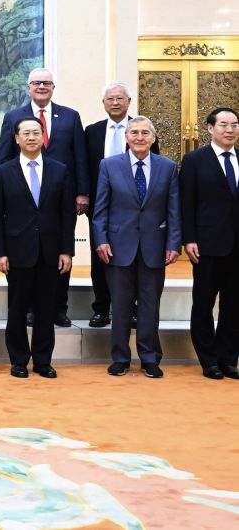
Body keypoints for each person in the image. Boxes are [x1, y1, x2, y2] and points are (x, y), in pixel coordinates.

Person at [0, 67, 88, 327]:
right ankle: (26, 308)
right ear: (29, 87)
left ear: (53, 87)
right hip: (24, 200)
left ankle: (58, 308)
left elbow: (79, 155)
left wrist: (82, 192)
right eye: (36, 83)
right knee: (25, 253)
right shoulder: (13, 116)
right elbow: (4, 158)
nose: (41, 87)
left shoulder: (70, 117)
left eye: (46, 83)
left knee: (59, 251)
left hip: (61, 199)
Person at [93, 116, 180, 379]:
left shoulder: (167, 167)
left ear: (153, 138)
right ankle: (120, 358)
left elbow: (174, 209)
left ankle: (149, 358)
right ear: (126, 138)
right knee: (119, 306)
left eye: (145, 133)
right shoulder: (109, 165)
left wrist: (174, 243)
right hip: (118, 247)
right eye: (134, 133)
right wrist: (101, 239)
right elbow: (100, 209)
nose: (139, 137)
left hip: (155, 247)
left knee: (149, 306)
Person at [0, 116, 75, 379]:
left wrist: (66, 250)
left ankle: (42, 361)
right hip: (17, 252)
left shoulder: (59, 170)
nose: (31, 137)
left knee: (45, 309)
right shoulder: (4, 172)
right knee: (16, 309)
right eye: (25, 133)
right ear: (16, 138)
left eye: (36, 133)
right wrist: (0, 253)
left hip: (50, 251)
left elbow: (66, 214)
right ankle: (18, 360)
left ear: (43, 137)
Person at [84, 82, 158, 328]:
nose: (115, 102)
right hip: (101, 205)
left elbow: (154, 165)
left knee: (135, 257)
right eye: (110, 99)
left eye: (120, 98)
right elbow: (84, 167)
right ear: (103, 103)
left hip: (136, 207)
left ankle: (132, 309)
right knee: (101, 257)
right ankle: (101, 308)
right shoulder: (92, 131)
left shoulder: (141, 130)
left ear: (129, 101)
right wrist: (83, 195)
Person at [179, 107, 239, 381]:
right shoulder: (194, 160)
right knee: (203, 303)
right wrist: (188, 239)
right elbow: (186, 203)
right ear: (210, 129)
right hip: (206, 244)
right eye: (224, 124)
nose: (230, 130)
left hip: (237, 245)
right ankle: (209, 360)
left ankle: (228, 359)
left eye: (234, 125)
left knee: (234, 305)